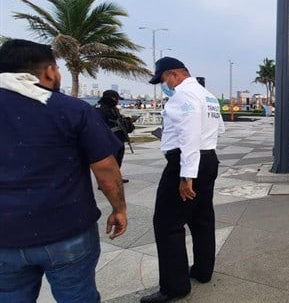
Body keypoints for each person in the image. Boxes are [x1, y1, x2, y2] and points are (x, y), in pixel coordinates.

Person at [0, 39, 128, 302]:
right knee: (78, 295)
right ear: (49, 71)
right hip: (66, 230)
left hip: (5, 237)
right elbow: (105, 168)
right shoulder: (72, 109)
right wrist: (119, 210)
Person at [140, 56, 225, 303]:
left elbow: (188, 136)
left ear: (175, 75)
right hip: (209, 158)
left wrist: (186, 175)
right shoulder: (207, 95)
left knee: (167, 224)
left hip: (187, 161)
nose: (165, 85)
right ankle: (202, 270)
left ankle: (174, 287)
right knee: (201, 217)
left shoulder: (183, 96)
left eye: (164, 79)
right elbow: (219, 129)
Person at [95, 89, 135, 183]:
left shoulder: (113, 108)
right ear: (112, 98)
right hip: (106, 140)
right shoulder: (99, 109)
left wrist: (128, 121)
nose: (118, 101)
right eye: (117, 99)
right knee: (108, 161)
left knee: (118, 159)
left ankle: (115, 177)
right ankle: (104, 182)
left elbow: (118, 119)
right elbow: (98, 125)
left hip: (118, 138)